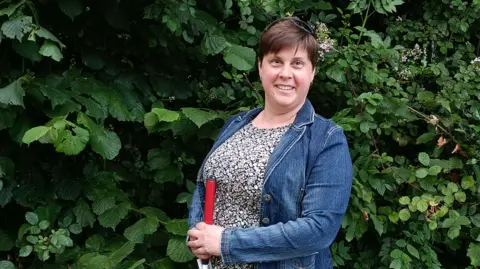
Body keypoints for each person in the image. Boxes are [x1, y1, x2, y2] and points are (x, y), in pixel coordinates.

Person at [187, 17, 353, 269]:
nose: (286, 73)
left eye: (297, 63)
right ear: (261, 66)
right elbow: (203, 186)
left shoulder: (326, 139)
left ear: (312, 73)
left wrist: (225, 243)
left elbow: (318, 229)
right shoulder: (236, 124)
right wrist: (198, 235)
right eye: (276, 61)